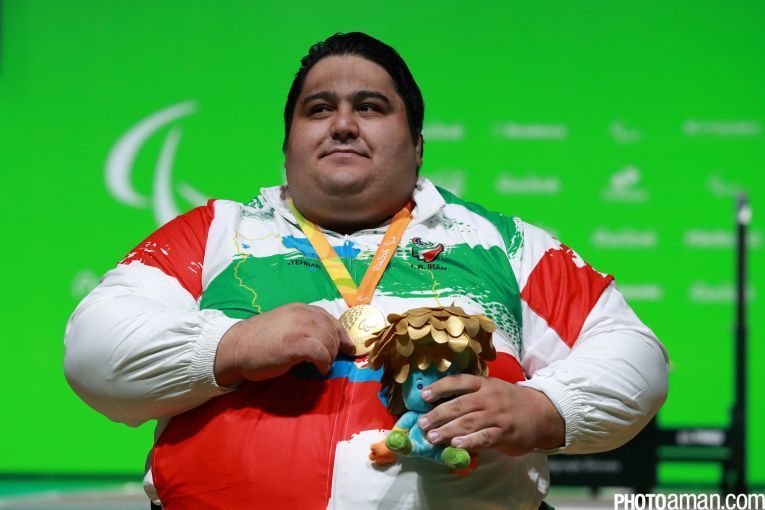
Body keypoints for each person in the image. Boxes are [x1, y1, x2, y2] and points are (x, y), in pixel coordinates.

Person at [64, 32, 668, 510]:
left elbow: (631, 351)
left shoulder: (502, 242)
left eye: (371, 107)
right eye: (319, 109)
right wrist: (231, 346)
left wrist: (541, 409)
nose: (343, 124)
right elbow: (92, 348)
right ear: (287, 146)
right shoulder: (217, 231)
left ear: (418, 143)